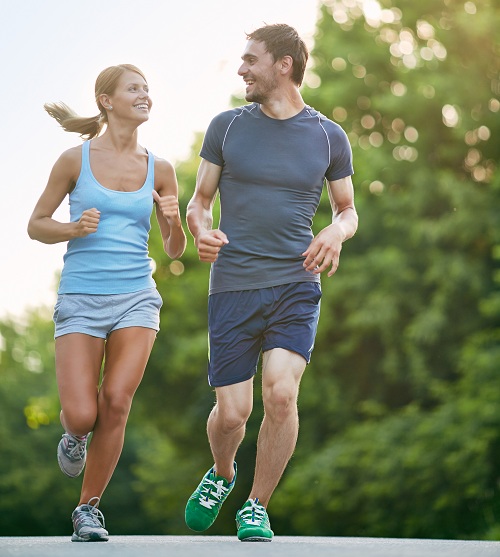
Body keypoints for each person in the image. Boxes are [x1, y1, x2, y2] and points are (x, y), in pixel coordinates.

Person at [184, 24, 358, 542]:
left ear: (284, 64)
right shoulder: (227, 127)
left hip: (294, 282)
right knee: (233, 412)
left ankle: (256, 505)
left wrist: (335, 230)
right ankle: (222, 473)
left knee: (281, 394)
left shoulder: (329, 135)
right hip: (234, 283)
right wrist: (201, 228)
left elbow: (348, 210)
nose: (241, 69)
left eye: (250, 60)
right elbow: (199, 201)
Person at [27, 64, 186, 542]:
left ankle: (88, 509)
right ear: (106, 100)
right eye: (134, 88)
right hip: (80, 296)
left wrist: (173, 221)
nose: (145, 95)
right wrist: (72, 229)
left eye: (147, 89)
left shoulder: (160, 169)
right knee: (82, 415)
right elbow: (36, 224)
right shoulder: (74, 161)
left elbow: (175, 249)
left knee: (116, 402)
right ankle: (74, 435)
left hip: (137, 297)